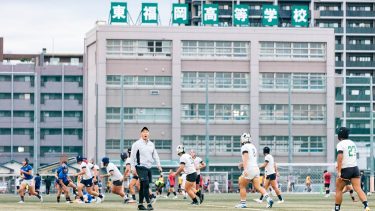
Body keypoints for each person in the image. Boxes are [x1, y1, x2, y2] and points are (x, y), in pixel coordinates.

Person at [333, 127, 370, 211]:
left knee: (338, 190)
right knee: (358, 188)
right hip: (355, 168)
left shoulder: (340, 144)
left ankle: (337, 208)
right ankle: (366, 206)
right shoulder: (352, 143)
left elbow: (340, 157)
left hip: (346, 169)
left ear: (339, 135)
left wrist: (339, 171)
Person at [235, 133, 273, 209]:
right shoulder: (253, 146)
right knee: (258, 186)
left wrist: (245, 168)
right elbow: (251, 159)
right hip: (256, 169)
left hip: (249, 169)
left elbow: (246, 158)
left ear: (243, 139)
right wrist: (242, 164)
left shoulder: (244, 147)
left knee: (242, 185)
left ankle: (243, 203)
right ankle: (269, 199)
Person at [130, 127, 162, 210]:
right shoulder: (136, 144)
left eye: (147, 132)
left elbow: (155, 155)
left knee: (144, 185)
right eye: (144, 132)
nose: (145, 133)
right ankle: (149, 204)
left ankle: (140, 205)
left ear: (148, 133)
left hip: (148, 167)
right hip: (140, 167)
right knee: (146, 185)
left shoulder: (151, 144)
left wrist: (158, 165)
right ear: (141, 133)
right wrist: (133, 168)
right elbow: (132, 156)